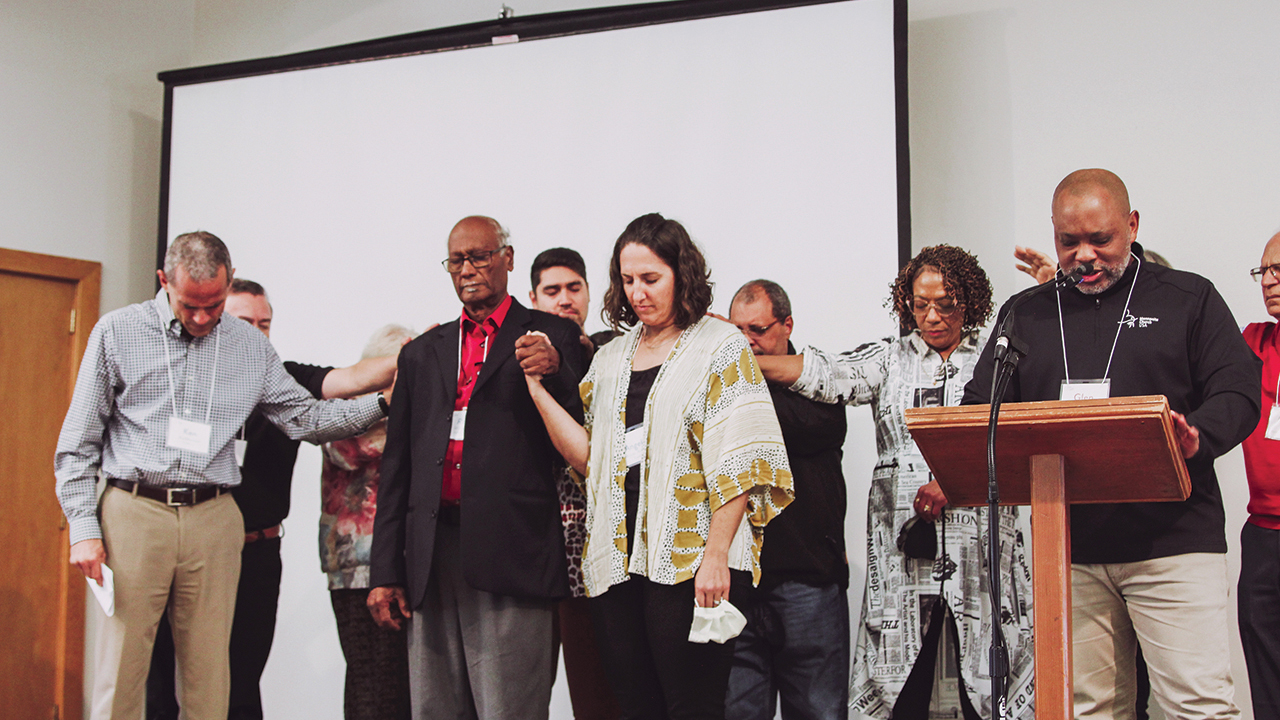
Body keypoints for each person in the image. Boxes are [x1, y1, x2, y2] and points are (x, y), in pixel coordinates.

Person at [963, 168, 1261, 719]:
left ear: (1132, 225)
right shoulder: (1025, 314)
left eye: (1100, 239)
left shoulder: (1187, 298)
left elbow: (1240, 391)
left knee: (1197, 706)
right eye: (1068, 242)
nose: (1084, 256)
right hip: (1069, 550)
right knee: (1088, 709)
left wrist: (1198, 435)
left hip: (1174, 544)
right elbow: (980, 408)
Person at [55, 232, 388, 720]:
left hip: (214, 516)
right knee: (123, 668)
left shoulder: (249, 347)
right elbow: (78, 443)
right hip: (135, 508)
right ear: (163, 281)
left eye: (214, 305)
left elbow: (307, 419)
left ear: (227, 283)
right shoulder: (118, 332)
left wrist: (382, 404)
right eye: (191, 305)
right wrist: (83, 529)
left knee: (210, 674)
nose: (203, 318)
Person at [522, 213, 794, 720]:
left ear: (681, 274)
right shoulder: (609, 360)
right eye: (627, 281)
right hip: (617, 561)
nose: (637, 294)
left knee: (694, 707)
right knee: (635, 707)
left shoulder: (720, 346)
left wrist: (716, 556)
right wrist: (536, 390)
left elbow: (741, 456)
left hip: (690, 561)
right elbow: (591, 460)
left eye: (651, 279)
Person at [753, 246, 1034, 719]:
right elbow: (825, 374)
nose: (931, 316)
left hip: (980, 557)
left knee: (986, 690)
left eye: (945, 303)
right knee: (899, 692)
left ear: (971, 300)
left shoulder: (998, 358)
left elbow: (1026, 434)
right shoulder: (888, 357)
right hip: (902, 559)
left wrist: (958, 480)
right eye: (920, 305)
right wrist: (741, 361)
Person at [146, 278, 403, 720]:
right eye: (245, 321)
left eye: (265, 324)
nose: (256, 333)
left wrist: (424, 354)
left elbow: (352, 378)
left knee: (242, 684)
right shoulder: (180, 378)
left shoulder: (282, 380)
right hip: (188, 550)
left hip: (258, 554)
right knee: (166, 682)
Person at [367, 216, 588, 720]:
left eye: (480, 256)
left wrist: (553, 368)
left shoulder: (551, 336)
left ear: (507, 259)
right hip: (431, 552)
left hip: (512, 552)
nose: (467, 269)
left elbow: (582, 422)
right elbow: (396, 467)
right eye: (456, 260)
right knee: (435, 708)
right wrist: (385, 570)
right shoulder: (423, 353)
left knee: (509, 708)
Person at [722, 280, 850, 720]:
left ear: (787, 323)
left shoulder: (819, 381)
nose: (745, 341)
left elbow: (802, 425)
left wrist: (744, 374)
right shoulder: (722, 385)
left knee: (819, 712)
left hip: (807, 583)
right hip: (737, 584)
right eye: (736, 330)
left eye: (756, 329)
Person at [527, 247, 620, 720]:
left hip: (608, 553)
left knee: (610, 692)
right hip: (542, 555)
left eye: (574, 288)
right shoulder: (515, 361)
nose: (565, 299)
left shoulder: (613, 351)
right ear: (532, 298)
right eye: (552, 290)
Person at [321, 324, 416, 720]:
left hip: (399, 567)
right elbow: (349, 450)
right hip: (357, 573)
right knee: (373, 687)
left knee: (399, 687)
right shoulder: (345, 414)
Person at [1239, 229, 1280, 719]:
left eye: (1279, 270)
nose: (1268, 281)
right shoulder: (1253, 342)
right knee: (1266, 676)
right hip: (1265, 537)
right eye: (1263, 271)